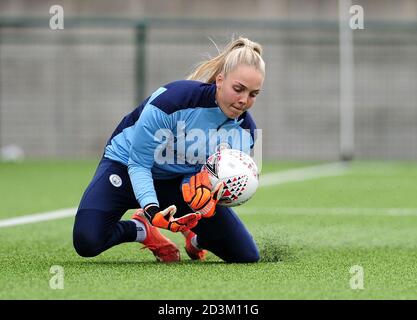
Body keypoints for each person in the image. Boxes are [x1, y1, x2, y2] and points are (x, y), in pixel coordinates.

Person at [73, 36, 265, 263]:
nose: (244, 100)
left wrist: (204, 202)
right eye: (238, 89)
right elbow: (139, 163)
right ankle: (140, 229)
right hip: (126, 168)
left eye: (253, 94)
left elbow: (207, 177)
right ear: (220, 80)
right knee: (87, 241)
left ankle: (195, 239)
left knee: (246, 255)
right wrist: (152, 211)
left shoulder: (246, 135)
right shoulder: (173, 101)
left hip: (176, 183)